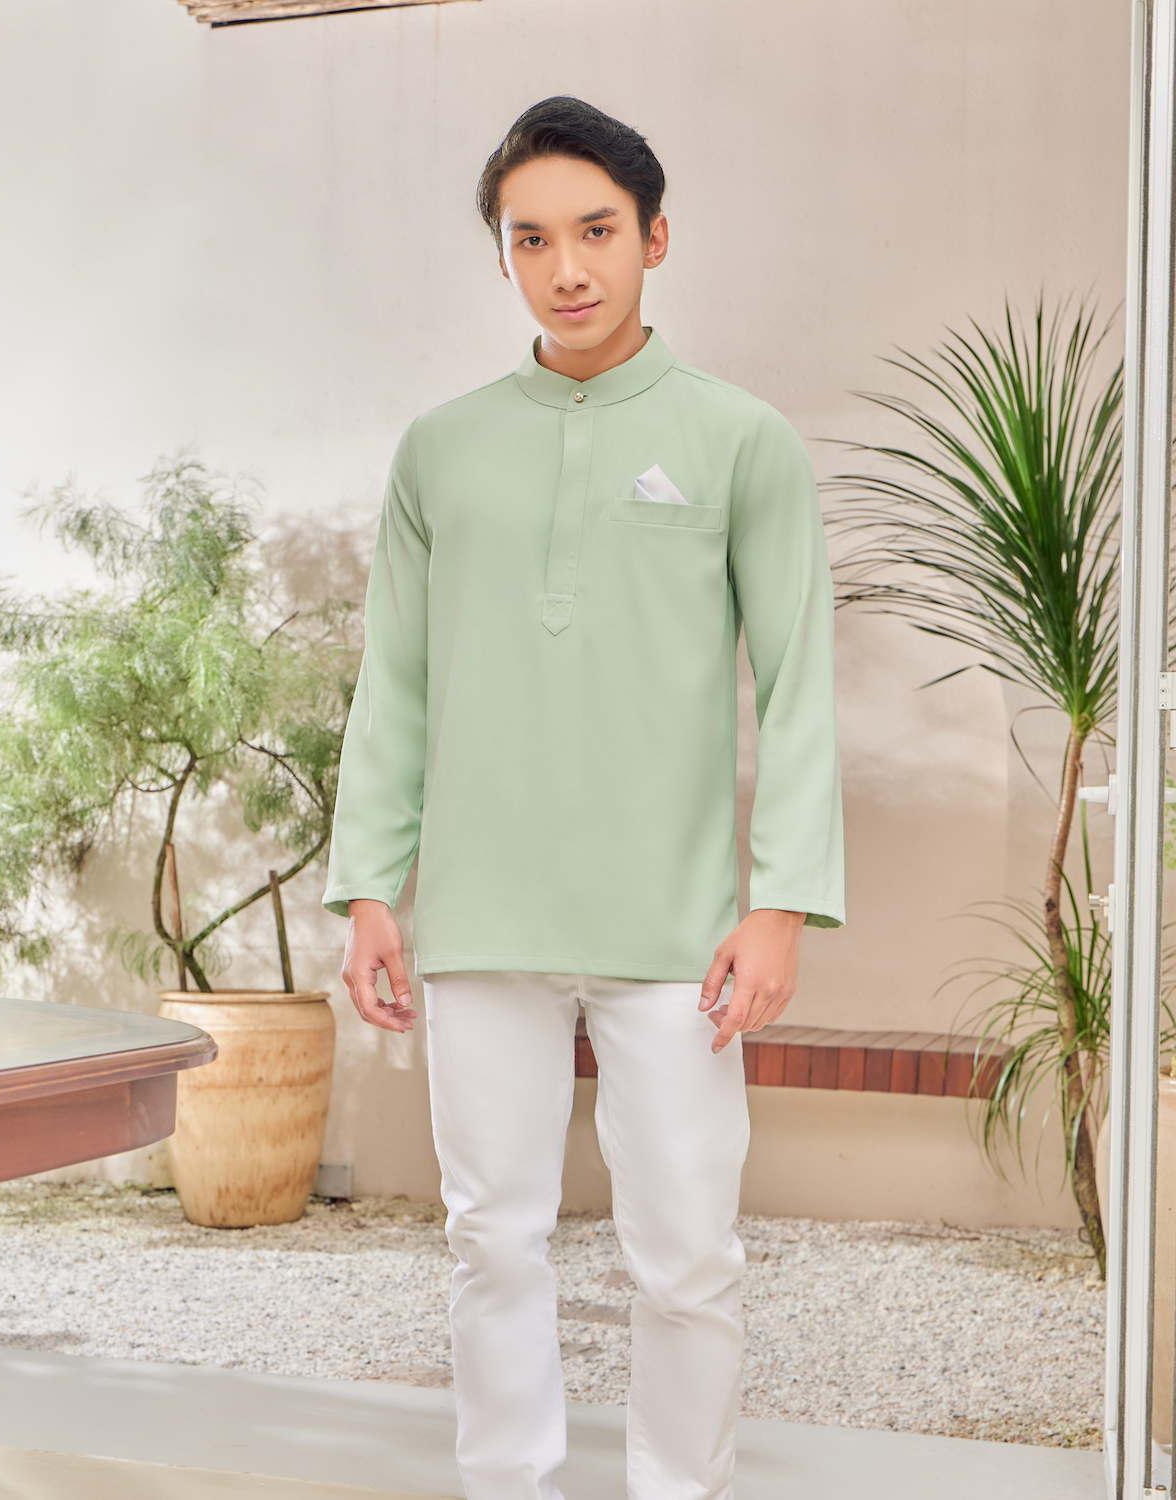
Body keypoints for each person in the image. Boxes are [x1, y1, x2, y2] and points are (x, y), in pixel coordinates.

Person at [324, 95, 844, 1500]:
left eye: (597, 231)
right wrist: (369, 888)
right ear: (504, 255)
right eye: (532, 239)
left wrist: (783, 905)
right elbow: (396, 683)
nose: (567, 267)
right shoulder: (441, 449)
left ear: (655, 238)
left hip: (678, 931)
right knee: (490, 1240)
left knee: (687, 1257)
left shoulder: (741, 440)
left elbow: (798, 686)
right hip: (481, 916)